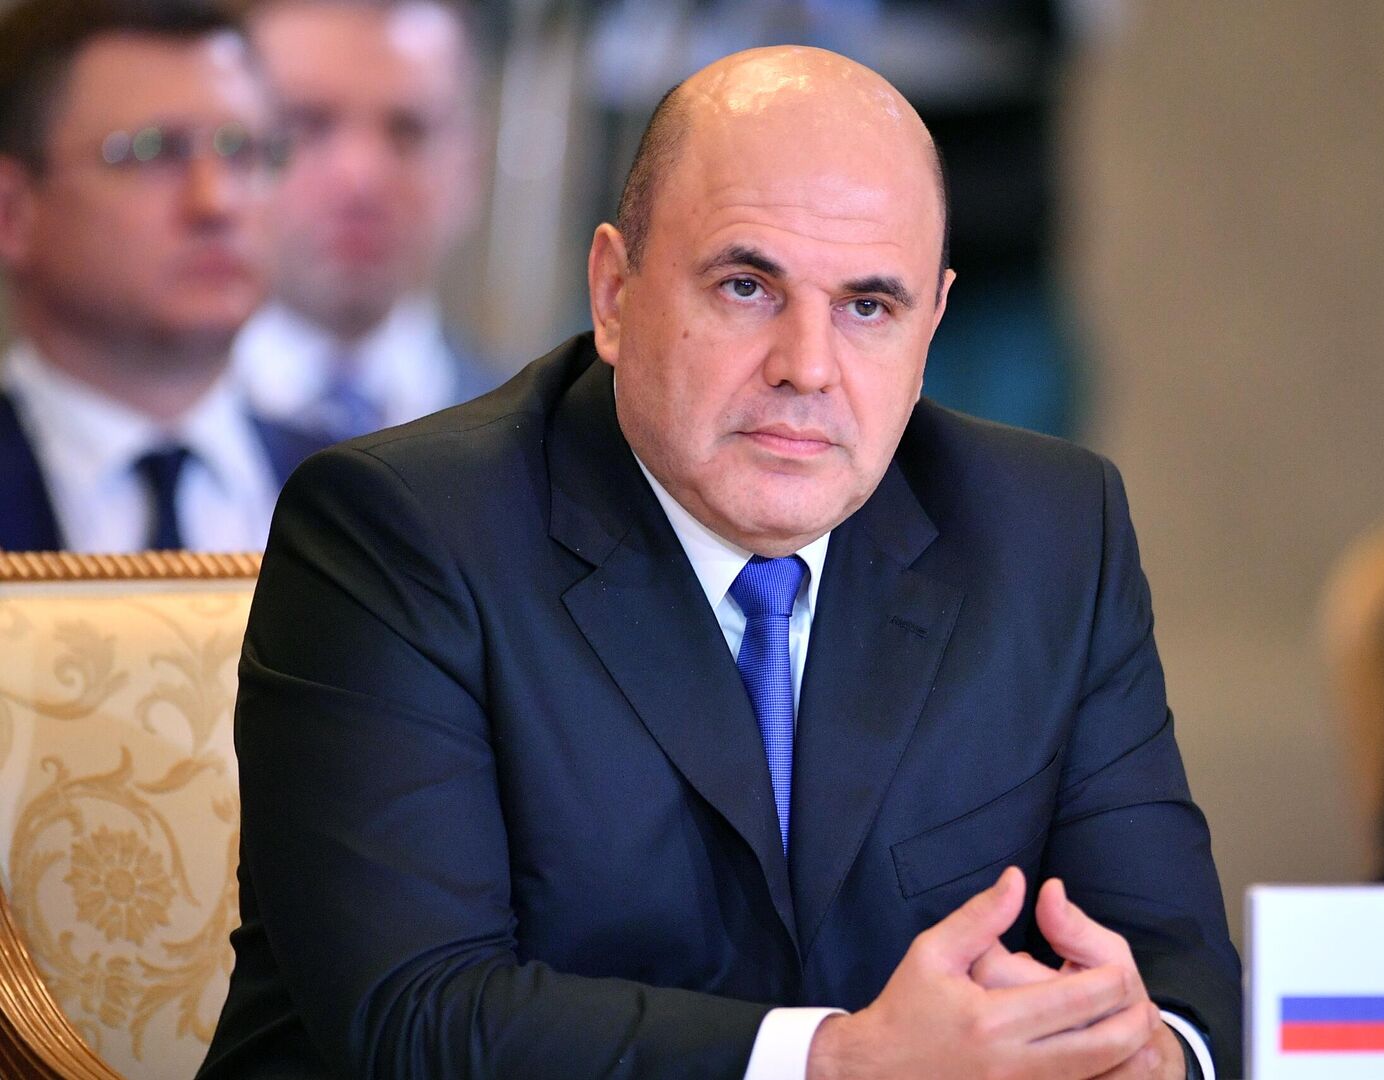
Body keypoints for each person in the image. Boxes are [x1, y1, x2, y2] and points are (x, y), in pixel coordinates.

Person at [200, 45, 1240, 1079]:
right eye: (747, 287)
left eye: (868, 308)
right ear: (614, 292)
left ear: (932, 326)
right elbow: (418, 1019)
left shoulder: (1050, 533)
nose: (807, 368)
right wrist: (836, 1061)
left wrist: (1146, 1057)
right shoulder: (401, 535)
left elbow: (1181, 976)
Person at [0, 0, 323, 553]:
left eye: (241, 151)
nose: (216, 202)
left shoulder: (363, 495)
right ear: (13, 211)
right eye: (153, 152)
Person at [232, 0, 499, 442]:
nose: (360, 178)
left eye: (408, 129)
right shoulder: (143, 427)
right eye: (307, 124)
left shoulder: (543, 447)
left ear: (471, 165)